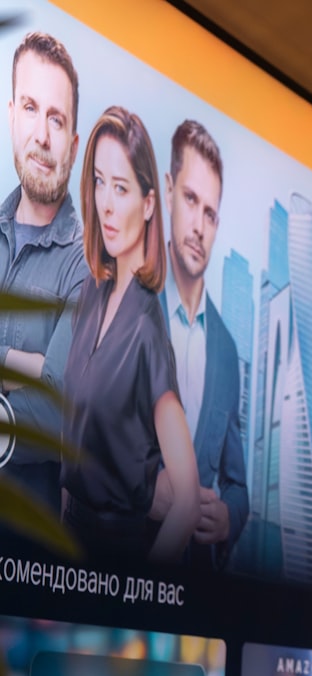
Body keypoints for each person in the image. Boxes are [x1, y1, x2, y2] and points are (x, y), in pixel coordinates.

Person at [60, 105, 198, 563]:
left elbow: (187, 496)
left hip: (111, 558)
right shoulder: (91, 291)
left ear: (150, 203)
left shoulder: (146, 327)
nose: (106, 203)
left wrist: (140, 586)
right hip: (65, 549)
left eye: (121, 187)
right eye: (99, 181)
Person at [154, 119, 248, 570]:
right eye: (191, 200)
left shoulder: (228, 351)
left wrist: (229, 516)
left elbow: (238, 483)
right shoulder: (131, 307)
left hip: (197, 595)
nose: (199, 225)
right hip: (116, 579)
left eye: (210, 213)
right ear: (168, 190)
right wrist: (143, 488)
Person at [0, 32, 88, 511]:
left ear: (73, 144)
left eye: (57, 118)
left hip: (25, 568)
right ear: (11, 115)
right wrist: (27, 366)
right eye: (31, 109)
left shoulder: (88, 265)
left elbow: (59, 413)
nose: (42, 135)